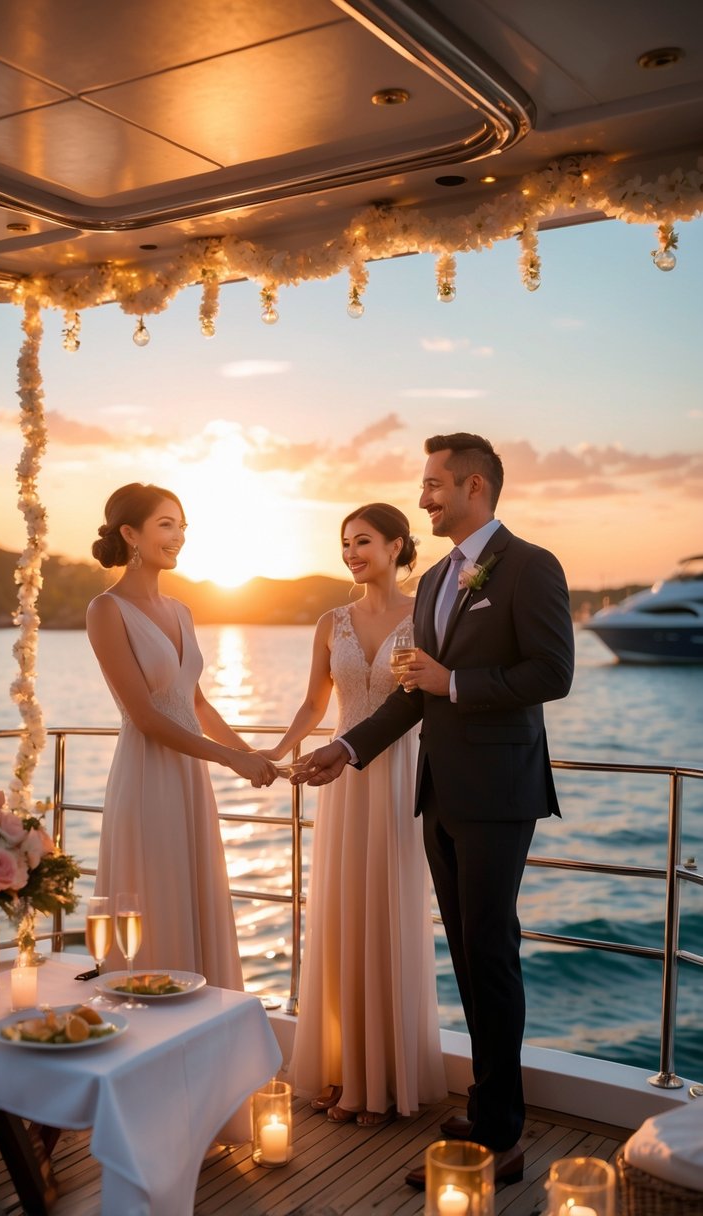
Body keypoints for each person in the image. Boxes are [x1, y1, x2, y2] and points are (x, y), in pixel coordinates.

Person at [293, 434, 574, 1186]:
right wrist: (346, 750)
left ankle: (501, 1137)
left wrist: (456, 683)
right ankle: (486, 1107)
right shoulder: (440, 580)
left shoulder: (530, 565)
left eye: (433, 485)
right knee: (468, 956)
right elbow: (417, 690)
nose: (421, 498)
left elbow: (552, 672)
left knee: (490, 954)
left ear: (473, 487)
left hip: (497, 794)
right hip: (438, 794)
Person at [263, 504, 446, 1126]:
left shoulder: (424, 614)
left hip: (397, 776)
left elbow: (424, 699)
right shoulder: (329, 621)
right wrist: (276, 754)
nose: (351, 553)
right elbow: (316, 701)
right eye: (345, 544)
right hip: (340, 782)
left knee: (389, 915)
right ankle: (345, 1074)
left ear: (397, 546)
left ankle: (386, 1082)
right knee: (342, 919)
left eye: (363, 541)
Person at [87, 482, 277, 989]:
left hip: (190, 779)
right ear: (130, 533)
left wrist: (249, 752)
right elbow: (145, 715)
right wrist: (230, 761)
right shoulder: (106, 610)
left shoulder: (182, 610)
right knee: (156, 899)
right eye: (166, 524)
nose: (179, 536)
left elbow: (196, 702)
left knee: (195, 898)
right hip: (146, 776)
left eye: (183, 525)